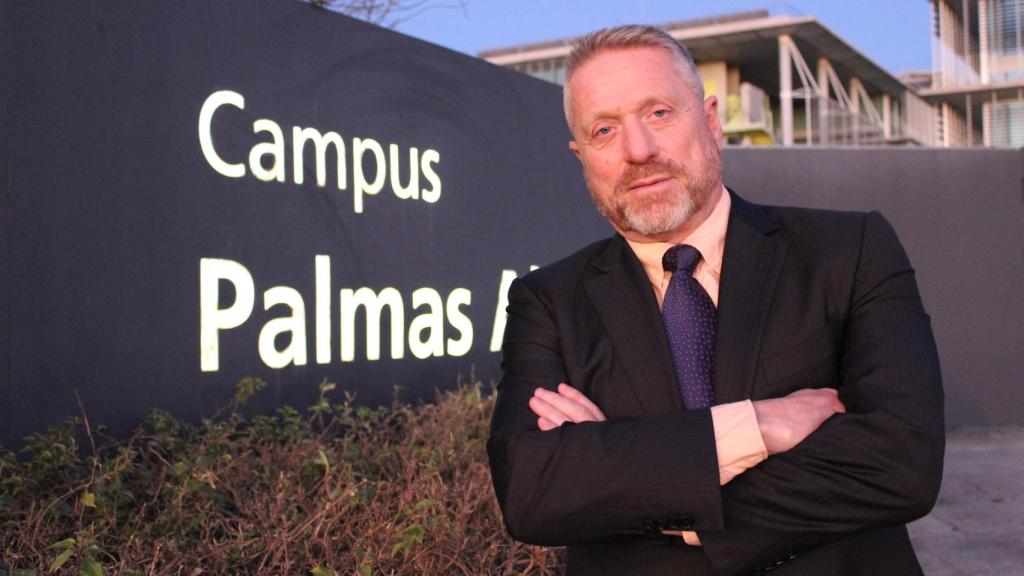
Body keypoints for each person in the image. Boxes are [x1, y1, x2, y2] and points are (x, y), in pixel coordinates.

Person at [487, 25, 944, 576]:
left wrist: (624, 473)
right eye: (604, 130)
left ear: (710, 120)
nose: (638, 150)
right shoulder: (548, 301)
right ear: (580, 155)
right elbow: (533, 492)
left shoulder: (848, 252)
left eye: (659, 113)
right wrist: (759, 425)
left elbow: (901, 463)